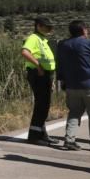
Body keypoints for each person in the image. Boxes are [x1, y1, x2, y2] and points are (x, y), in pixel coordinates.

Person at [55, 21, 90, 152]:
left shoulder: (62, 44)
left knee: (74, 113)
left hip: (71, 85)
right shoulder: (88, 43)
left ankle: (69, 140)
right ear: (83, 30)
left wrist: (62, 80)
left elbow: (60, 64)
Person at [21, 17, 58, 145]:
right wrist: (38, 66)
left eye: (49, 27)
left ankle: (42, 135)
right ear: (38, 26)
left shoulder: (42, 39)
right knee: (41, 106)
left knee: (43, 106)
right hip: (39, 75)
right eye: (46, 26)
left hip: (45, 75)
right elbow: (25, 52)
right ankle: (34, 137)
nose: (48, 29)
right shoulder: (34, 38)